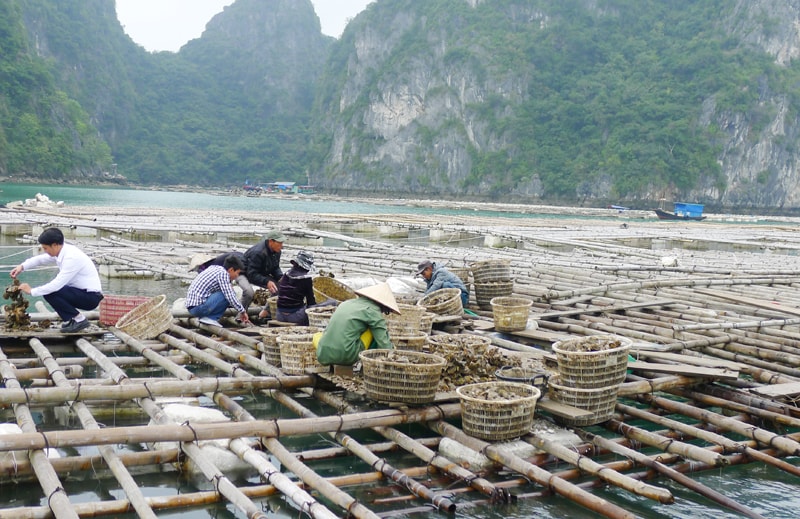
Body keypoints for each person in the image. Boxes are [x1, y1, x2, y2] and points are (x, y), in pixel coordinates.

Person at [10, 228, 104, 333]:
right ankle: (72, 319)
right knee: (49, 292)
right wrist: (22, 266)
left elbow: (56, 285)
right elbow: (41, 259)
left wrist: (31, 291)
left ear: (54, 245)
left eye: (45, 248)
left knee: (51, 291)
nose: (45, 251)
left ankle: (79, 320)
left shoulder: (71, 258)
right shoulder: (62, 251)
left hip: (90, 298)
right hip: (81, 292)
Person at [315, 282, 400, 366]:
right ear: (382, 305)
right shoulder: (372, 311)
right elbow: (383, 342)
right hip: (346, 355)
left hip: (323, 354)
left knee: (317, 335)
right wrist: (391, 355)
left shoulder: (346, 303)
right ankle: (370, 363)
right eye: (386, 311)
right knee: (373, 330)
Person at [185, 254, 252, 328]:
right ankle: (211, 318)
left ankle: (208, 317)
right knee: (229, 294)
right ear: (231, 270)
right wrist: (242, 311)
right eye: (237, 273)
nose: (237, 276)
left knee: (229, 292)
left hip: (193, 307)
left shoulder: (215, 268)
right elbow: (229, 296)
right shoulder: (223, 274)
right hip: (198, 308)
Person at [274, 250, 334, 325]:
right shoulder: (306, 279)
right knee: (332, 302)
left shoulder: (286, 275)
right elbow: (311, 303)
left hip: (279, 315)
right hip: (295, 317)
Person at [191, 250, 255, 314]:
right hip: (239, 267)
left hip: (239, 269)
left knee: (244, 291)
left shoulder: (212, 267)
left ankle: (239, 313)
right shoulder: (217, 262)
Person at [243, 230, 285, 319]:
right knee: (274, 289)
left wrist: (280, 276)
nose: (282, 245)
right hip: (247, 274)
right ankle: (263, 312)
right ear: (271, 241)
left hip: (261, 273)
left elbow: (275, 267)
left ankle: (269, 312)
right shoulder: (258, 252)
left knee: (283, 285)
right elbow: (251, 274)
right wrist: (266, 282)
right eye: (280, 243)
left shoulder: (277, 251)